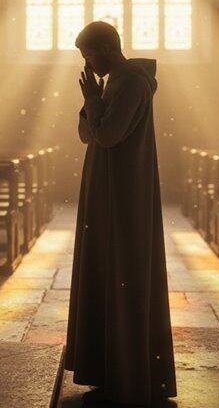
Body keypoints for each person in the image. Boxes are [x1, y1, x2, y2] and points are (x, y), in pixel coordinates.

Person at [65, 21, 177, 406]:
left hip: (123, 198)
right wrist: (92, 100)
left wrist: (93, 101)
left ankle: (128, 378)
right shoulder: (112, 82)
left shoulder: (133, 83)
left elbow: (108, 135)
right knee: (105, 276)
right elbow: (87, 134)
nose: (88, 64)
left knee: (122, 280)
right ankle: (107, 371)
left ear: (107, 49)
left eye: (89, 55)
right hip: (106, 194)